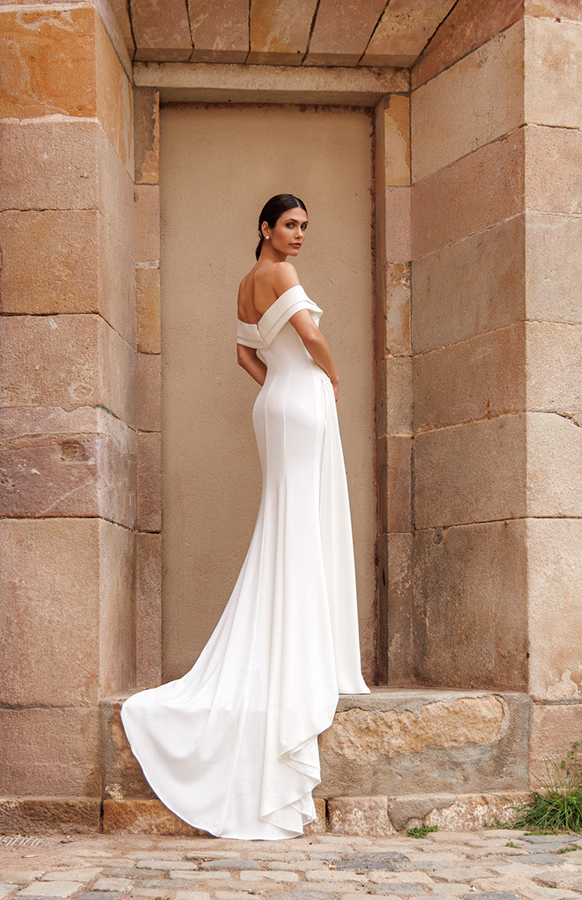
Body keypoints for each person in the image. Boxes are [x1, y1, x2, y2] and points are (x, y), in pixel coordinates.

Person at [121, 193, 369, 841]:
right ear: (265, 228)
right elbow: (311, 337)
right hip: (302, 402)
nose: (299, 235)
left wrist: (281, 386)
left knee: (287, 523)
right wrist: (330, 380)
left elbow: (244, 356)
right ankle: (304, 658)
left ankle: (292, 648)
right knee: (300, 523)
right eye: (290, 225)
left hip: (275, 403)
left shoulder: (244, 282)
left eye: (305, 226)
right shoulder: (281, 273)